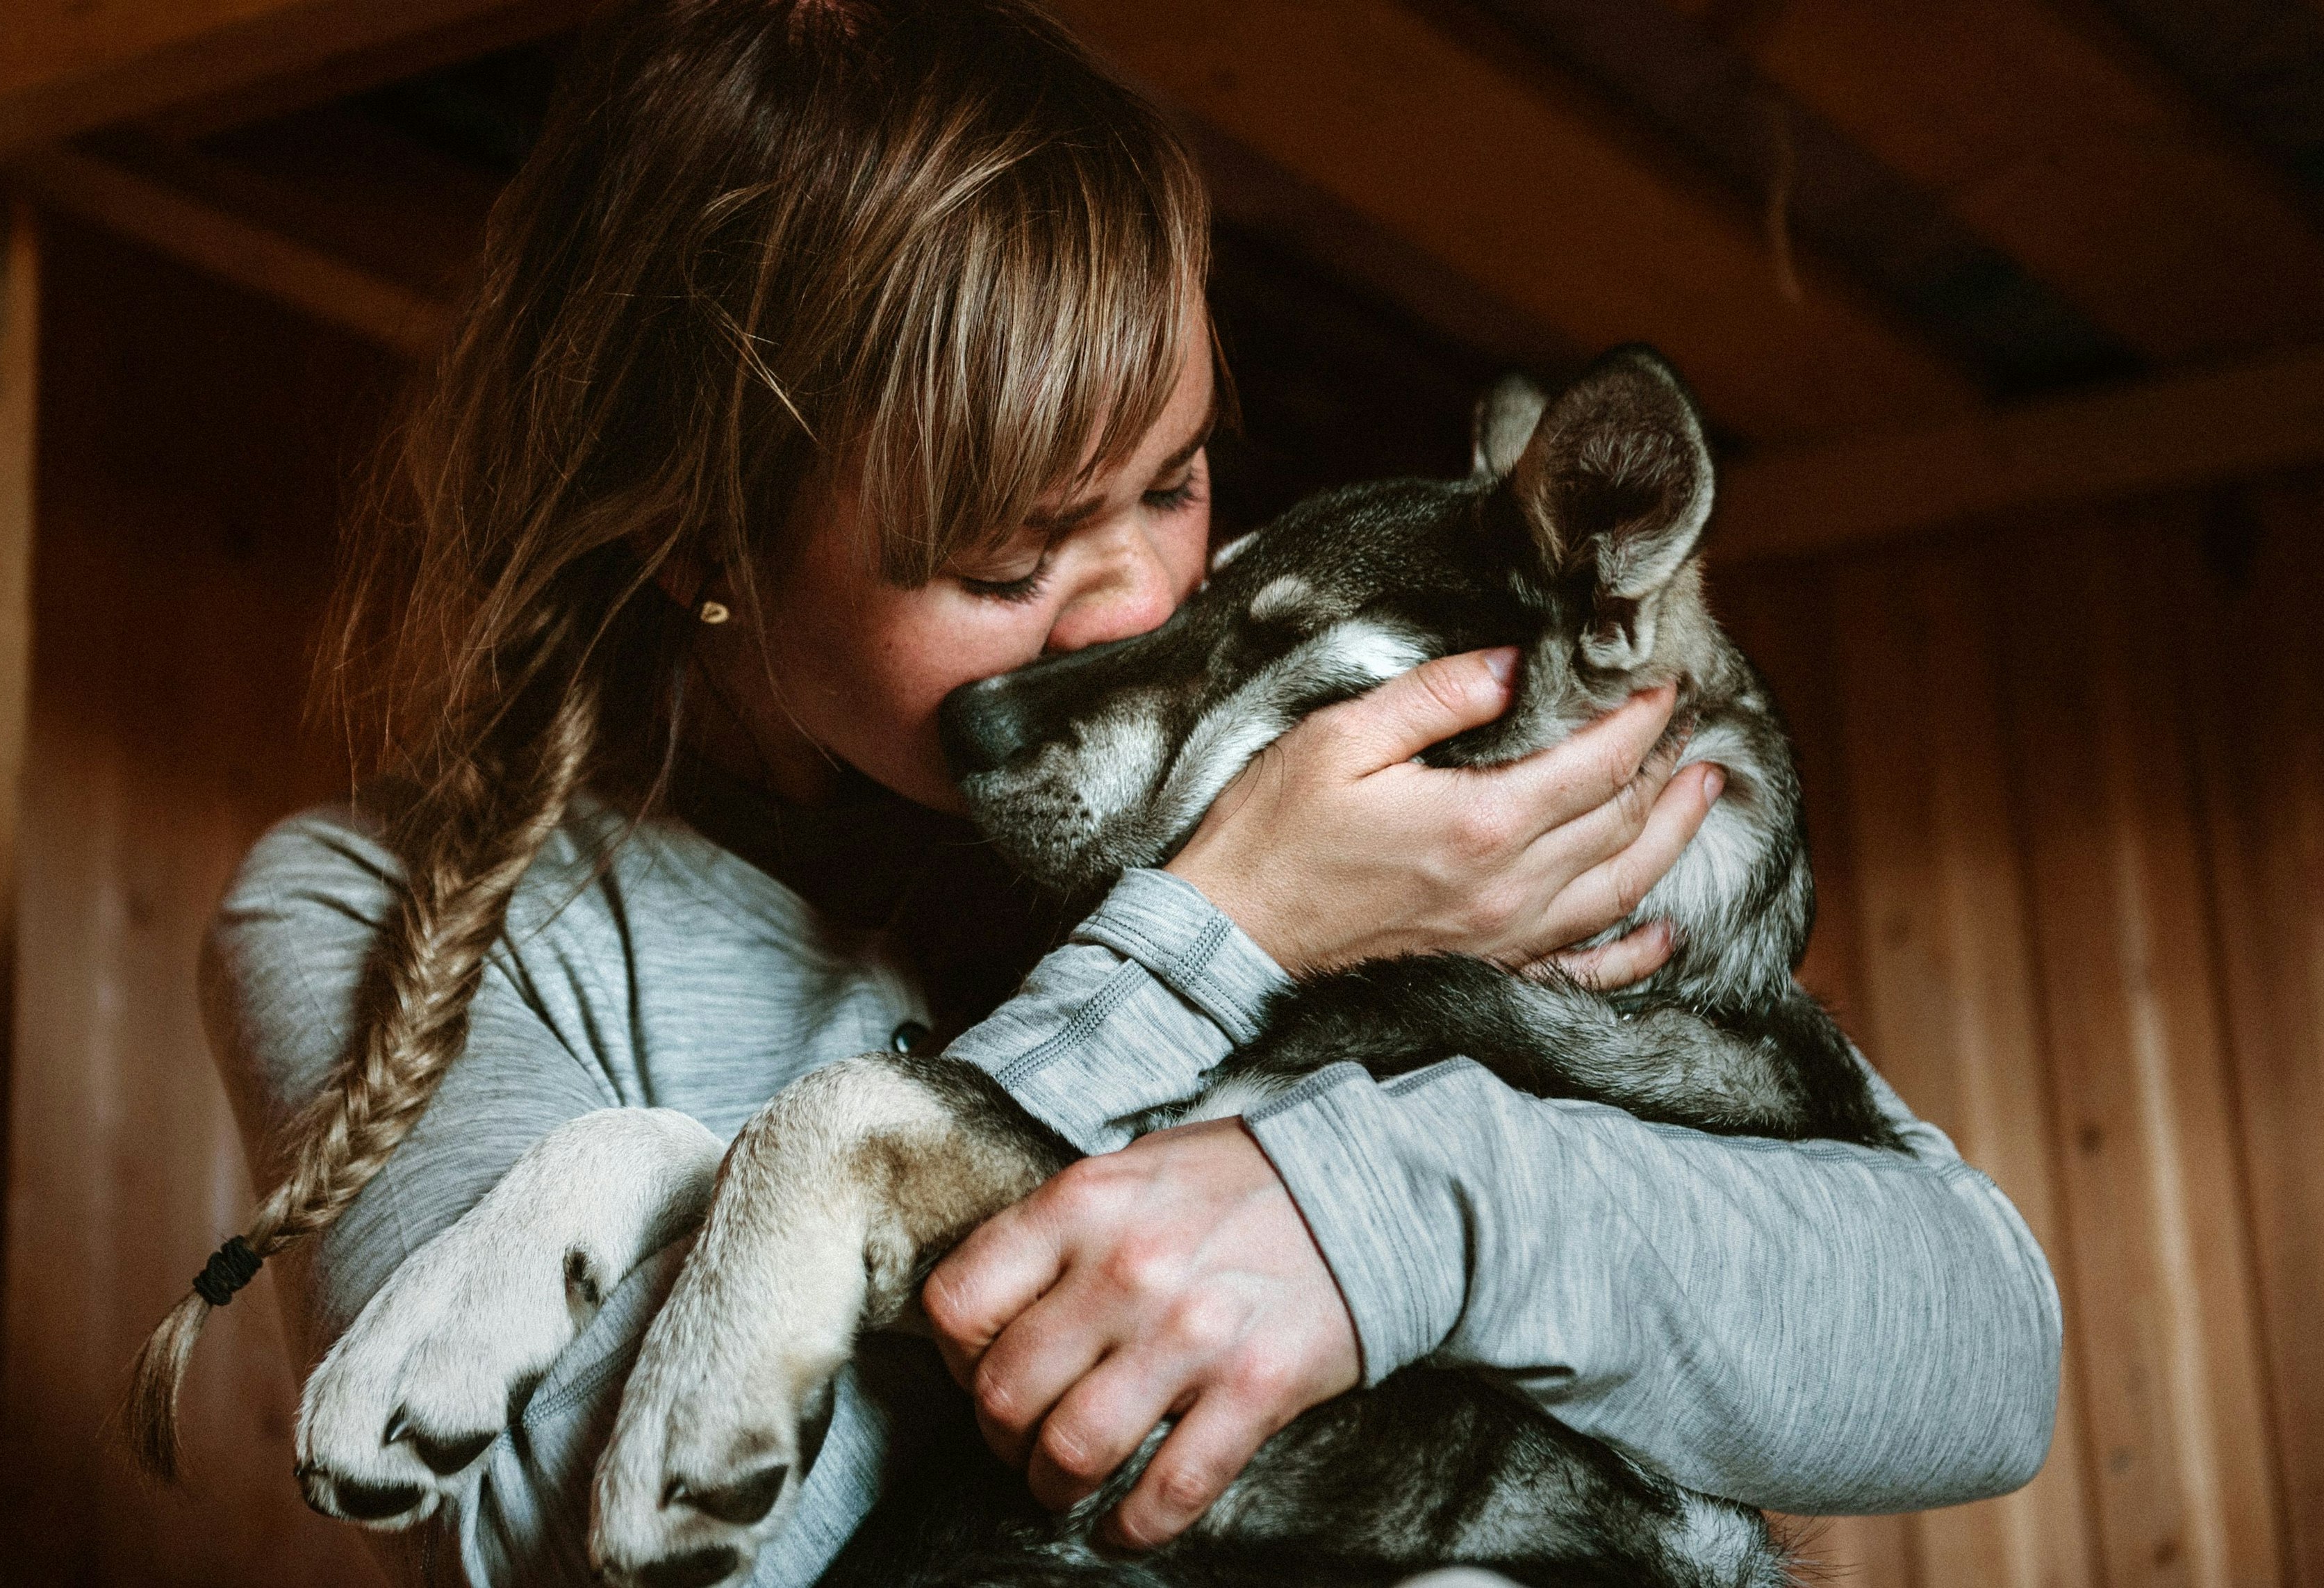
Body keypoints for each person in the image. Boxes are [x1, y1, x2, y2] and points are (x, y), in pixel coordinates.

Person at [127, 2, 2061, 1583]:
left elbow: (1979, 1352)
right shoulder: (370, 914)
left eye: (1177, 476)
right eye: (1004, 557)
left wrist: (1389, 1211)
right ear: (698, 537)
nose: (1145, 611)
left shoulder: (1350, 793)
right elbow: (595, 1564)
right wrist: (1218, 933)